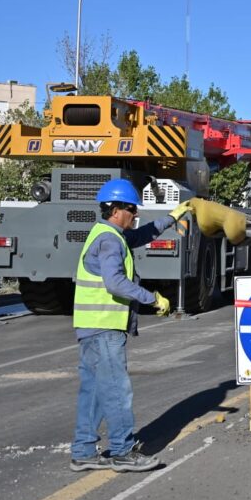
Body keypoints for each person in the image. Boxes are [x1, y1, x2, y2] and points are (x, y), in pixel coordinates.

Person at [69, 178, 193, 473]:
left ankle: (83, 451)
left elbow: (140, 236)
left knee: (95, 390)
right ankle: (123, 451)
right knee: (115, 390)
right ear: (115, 210)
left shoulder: (108, 233)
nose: (135, 214)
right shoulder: (111, 240)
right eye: (131, 209)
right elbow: (115, 283)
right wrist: (153, 299)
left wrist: (171, 217)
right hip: (104, 327)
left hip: (89, 326)